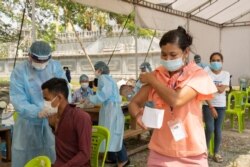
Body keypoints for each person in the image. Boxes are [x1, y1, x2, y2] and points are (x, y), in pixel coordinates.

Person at [128, 26, 217, 167]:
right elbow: (133, 103)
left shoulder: (197, 75)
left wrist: (151, 80)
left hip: (192, 153)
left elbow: (176, 100)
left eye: (173, 55)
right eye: (163, 55)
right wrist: (138, 116)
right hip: (160, 152)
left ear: (186, 52)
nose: (167, 59)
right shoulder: (157, 75)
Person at [9, 41, 69, 167]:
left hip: (52, 122)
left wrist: (56, 107)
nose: (41, 64)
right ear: (29, 56)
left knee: (51, 155)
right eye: (38, 61)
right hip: (28, 125)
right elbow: (18, 99)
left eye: (44, 61)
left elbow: (65, 88)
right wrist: (37, 111)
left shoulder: (55, 67)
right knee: (26, 158)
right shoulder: (20, 71)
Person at [41, 78, 92, 167]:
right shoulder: (54, 117)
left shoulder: (80, 117)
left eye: (46, 99)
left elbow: (85, 154)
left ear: (59, 98)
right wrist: (53, 126)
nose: (44, 103)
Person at [87, 61, 129, 167]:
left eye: (96, 69)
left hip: (110, 110)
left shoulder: (103, 78)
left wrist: (90, 99)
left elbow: (103, 94)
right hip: (111, 108)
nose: (95, 72)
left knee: (112, 134)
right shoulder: (109, 78)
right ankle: (113, 157)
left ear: (100, 70)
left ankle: (123, 159)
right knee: (113, 134)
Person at [203, 52, 230, 163]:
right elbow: (204, 91)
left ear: (222, 62)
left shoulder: (226, 74)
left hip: (221, 105)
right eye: (213, 60)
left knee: (218, 130)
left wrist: (211, 86)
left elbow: (221, 90)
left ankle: (216, 153)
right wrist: (211, 107)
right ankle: (205, 151)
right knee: (209, 128)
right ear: (210, 62)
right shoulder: (206, 72)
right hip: (208, 105)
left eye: (218, 60)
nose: (216, 62)